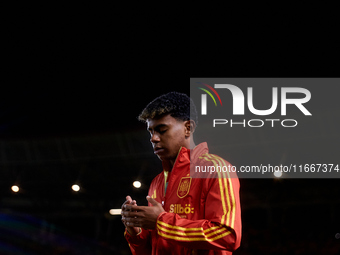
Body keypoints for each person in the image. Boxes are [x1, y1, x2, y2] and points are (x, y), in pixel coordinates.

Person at [121, 92, 241, 255]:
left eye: (161, 130)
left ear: (188, 128)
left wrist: (161, 222)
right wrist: (136, 233)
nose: (153, 138)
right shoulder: (157, 182)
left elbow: (227, 236)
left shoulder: (216, 169)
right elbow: (150, 249)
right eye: (151, 132)